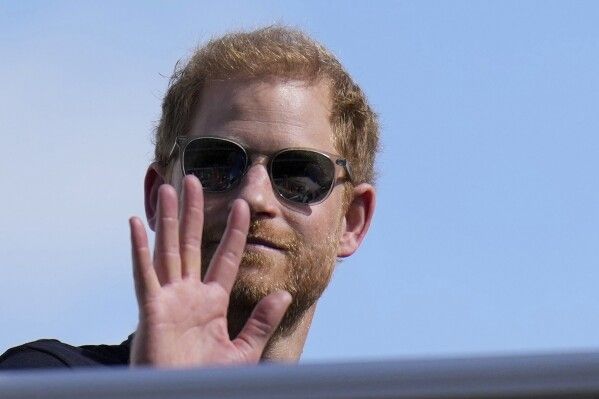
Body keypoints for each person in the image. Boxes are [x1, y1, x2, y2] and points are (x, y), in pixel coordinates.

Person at [0, 25, 379, 369]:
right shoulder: (42, 379)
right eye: (216, 164)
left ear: (352, 221)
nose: (254, 196)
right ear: (157, 195)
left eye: (299, 174)